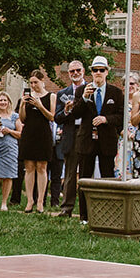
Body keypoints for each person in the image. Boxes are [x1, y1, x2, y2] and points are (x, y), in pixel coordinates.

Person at [71, 57, 125, 194]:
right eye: (95, 70)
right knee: (84, 178)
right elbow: (75, 114)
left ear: (107, 72)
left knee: (107, 177)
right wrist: (84, 98)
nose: (98, 73)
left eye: (102, 70)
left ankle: (108, 209)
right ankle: (84, 214)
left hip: (107, 141)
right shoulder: (82, 90)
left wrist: (106, 119)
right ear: (91, 72)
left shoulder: (116, 93)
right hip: (86, 140)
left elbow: (121, 117)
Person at [16, 69, 55, 213]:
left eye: (36, 82)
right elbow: (22, 119)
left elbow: (51, 117)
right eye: (31, 82)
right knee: (29, 167)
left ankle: (40, 201)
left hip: (43, 133)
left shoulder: (51, 96)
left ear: (42, 81)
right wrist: (22, 105)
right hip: (29, 133)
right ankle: (30, 200)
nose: (33, 85)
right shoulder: (26, 97)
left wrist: (39, 106)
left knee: (42, 167)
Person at [53, 59, 87, 217]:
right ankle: (67, 208)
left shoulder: (92, 89)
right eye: (72, 71)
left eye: (78, 70)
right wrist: (66, 111)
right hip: (71, 133)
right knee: (70, 173)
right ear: (68, 74)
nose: (75, 73)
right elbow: (57, 118)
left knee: (88, 173)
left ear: (83, 71)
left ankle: (86, 211)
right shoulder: (63, 93)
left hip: (87, 132)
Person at [0, 90, 20, 209]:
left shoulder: (14, 116)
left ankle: (4, 203)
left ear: (9, 102)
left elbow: (20, 133)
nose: (3, 102)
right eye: (0, 100)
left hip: (11, 149)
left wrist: (9, 131)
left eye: (5, 100)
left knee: (8, 176)